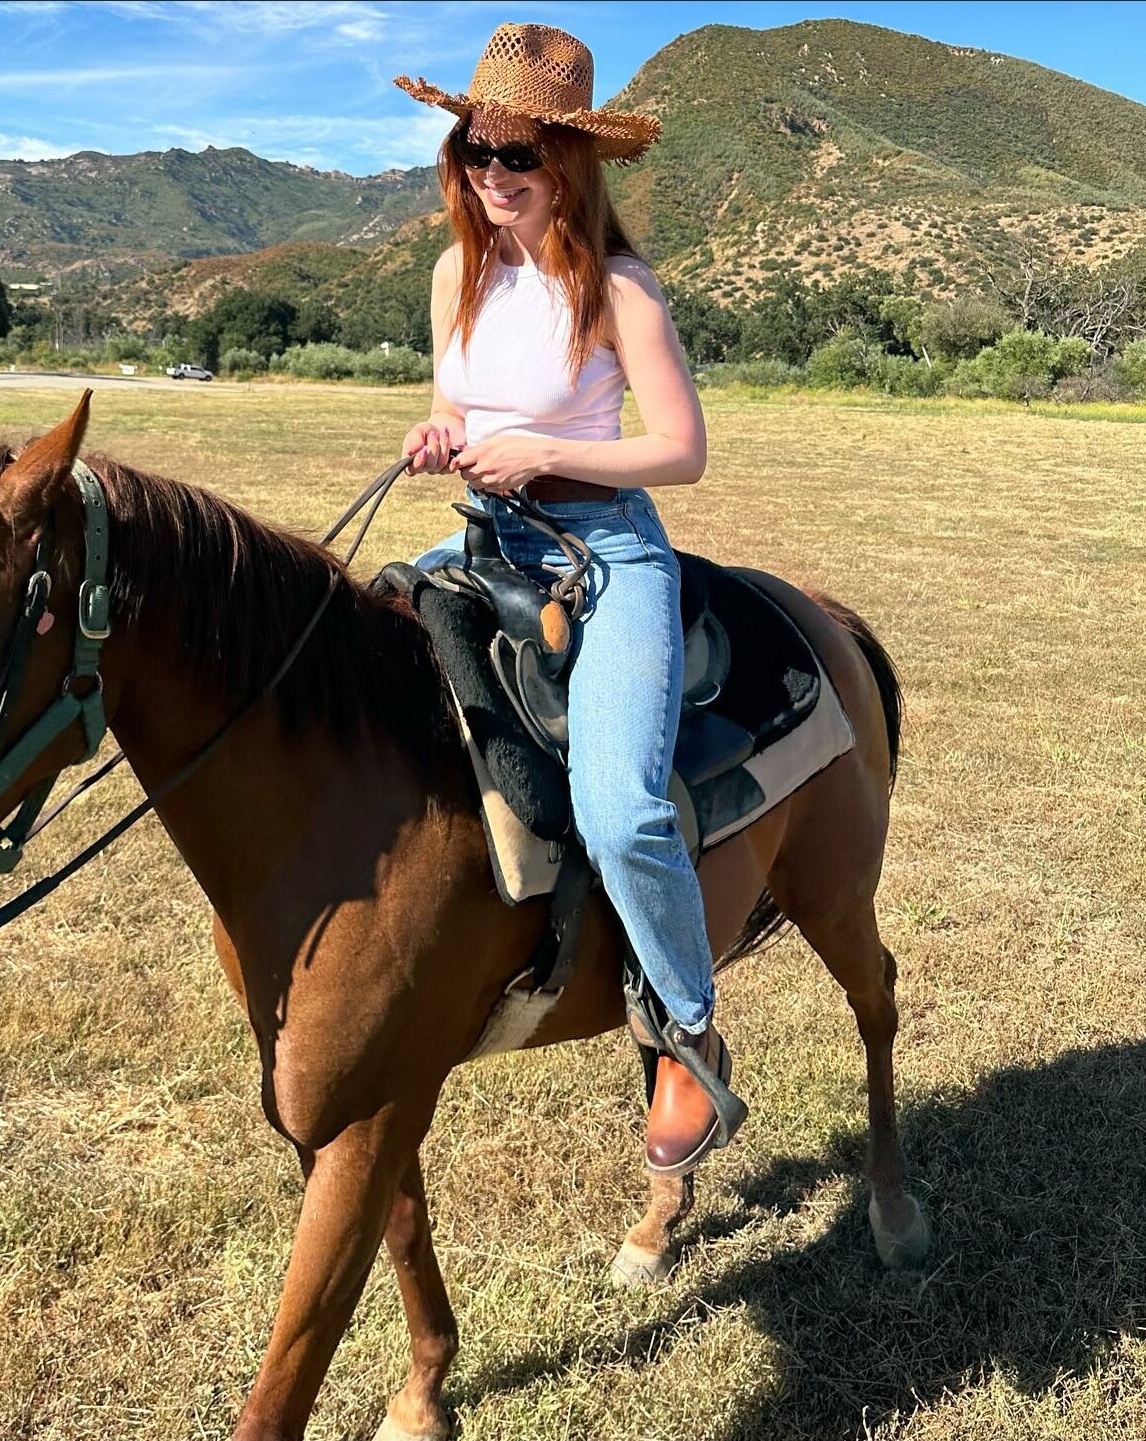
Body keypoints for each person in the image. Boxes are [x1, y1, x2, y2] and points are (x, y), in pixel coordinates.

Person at [394, 23, 747, 1175]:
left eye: (520, 156)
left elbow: (681, 451)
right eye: (477, 150)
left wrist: (547, 450)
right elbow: (455, 405)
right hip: (485, 536)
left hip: (604, 552)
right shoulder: (454, 274)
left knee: (621, 809)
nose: (494, 175)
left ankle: (686, 1026)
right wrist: (442, 435)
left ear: (568, 164)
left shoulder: (619, 290)